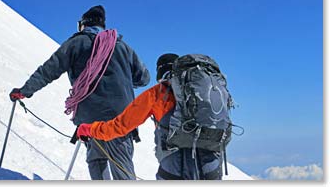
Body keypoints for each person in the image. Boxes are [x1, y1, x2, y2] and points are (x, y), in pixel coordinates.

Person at [9, 5, 150, 180]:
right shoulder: (121, 47)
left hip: (89, 119)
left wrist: (24, 91)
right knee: (122, 168)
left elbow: (48, 70)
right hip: (121, 118)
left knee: (97, 164)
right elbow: (143, 78)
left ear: (83, 24)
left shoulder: (76, 43)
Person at [77, 53, 223, 180]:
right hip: (211, 164)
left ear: (160, 72)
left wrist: (89, 129)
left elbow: (119, 127)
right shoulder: (205, 91)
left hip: (174, 167)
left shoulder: (157, 93)